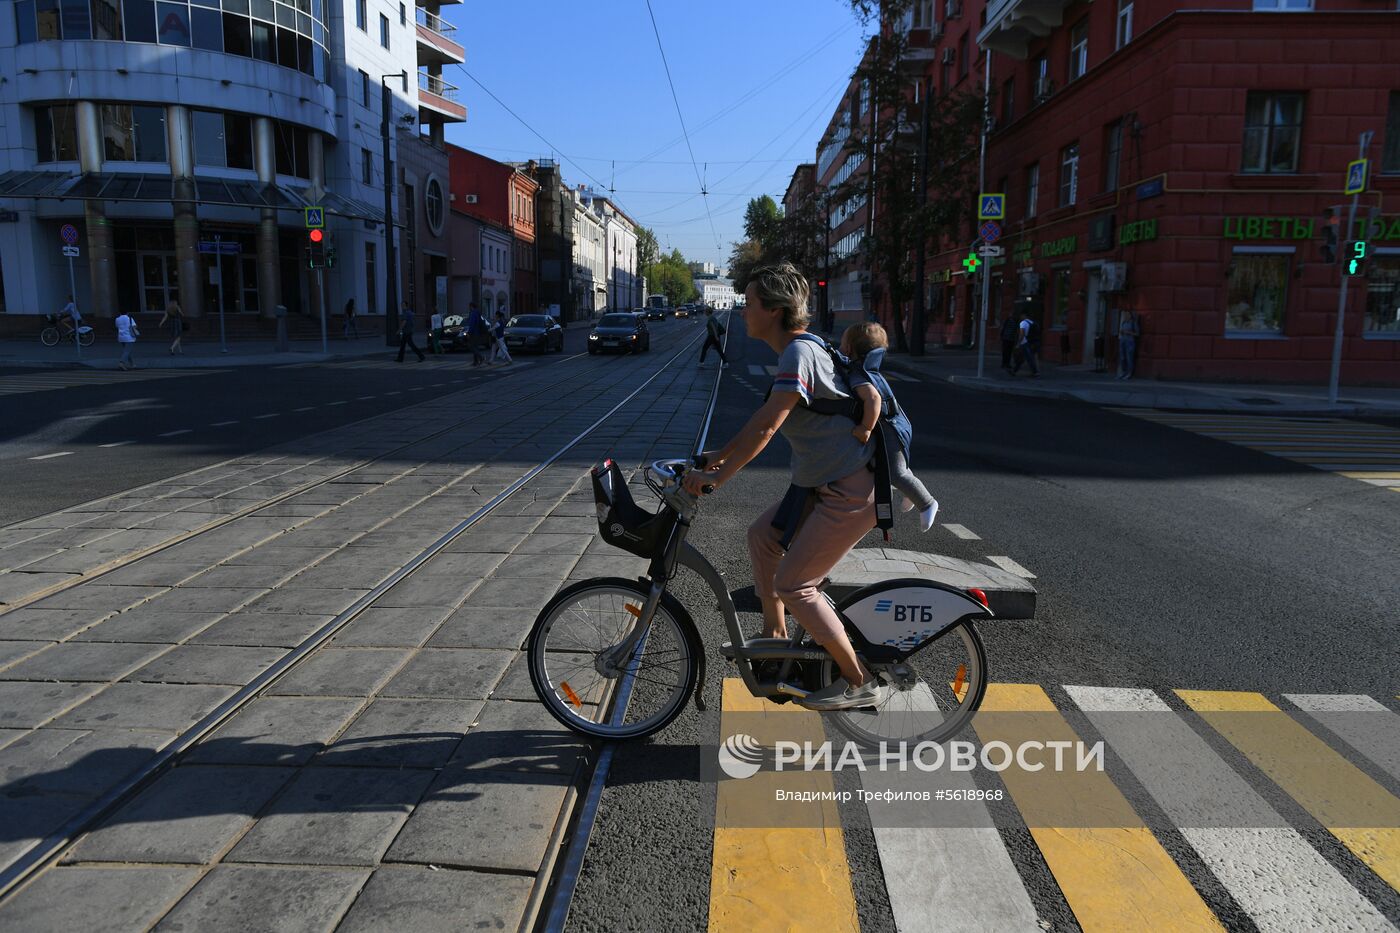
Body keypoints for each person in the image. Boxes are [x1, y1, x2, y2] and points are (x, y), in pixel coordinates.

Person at [683, 262, 886, 712]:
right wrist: (715, 455)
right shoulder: (798, 350)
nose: (743, 311)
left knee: (796, 585)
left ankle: (860, 681)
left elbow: (768, 428)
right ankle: (776, 639)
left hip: (850, 490)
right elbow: (761, 419)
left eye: (750, 303)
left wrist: (718, 478)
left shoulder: (797, 354)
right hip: (824, 484)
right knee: (763, 536)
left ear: (773, 310)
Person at [840, 322, 939, 532]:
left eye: (843, 342)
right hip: (896, 424)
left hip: (890, 429)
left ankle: (927, 503)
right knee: (897, 465)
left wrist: (865, 428)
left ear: (850, 349)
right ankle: (911, 493)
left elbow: (874, 399)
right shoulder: (868, 370)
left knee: (895, 472)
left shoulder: (859, 376)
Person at [1011, 309, 1040, 377]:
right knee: (1025, 357)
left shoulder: (1023, 323)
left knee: (1028, 358)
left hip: (1025, 343)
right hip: (1033, 342)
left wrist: (1018, 344)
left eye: (1021, 315)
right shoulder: (1032, 322)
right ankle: (1014, 370)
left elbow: (1022, 334)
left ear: (1024, 315)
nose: (1020, 317)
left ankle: (1035, 372)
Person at [1118, 309, 1139, 380]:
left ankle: (1129, 373)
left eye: (1128, 314)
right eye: (1125, 314)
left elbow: (1137, 334)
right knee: (1122, 357)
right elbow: (1121, 332)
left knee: (1129, 357)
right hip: (1123, 341)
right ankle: (1123, 372)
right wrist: (1121, 332)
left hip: (1130, 342)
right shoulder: (1124, 322)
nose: (1126, 316)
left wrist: (1129, 332)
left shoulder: (1133, 323)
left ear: (1130, 316)